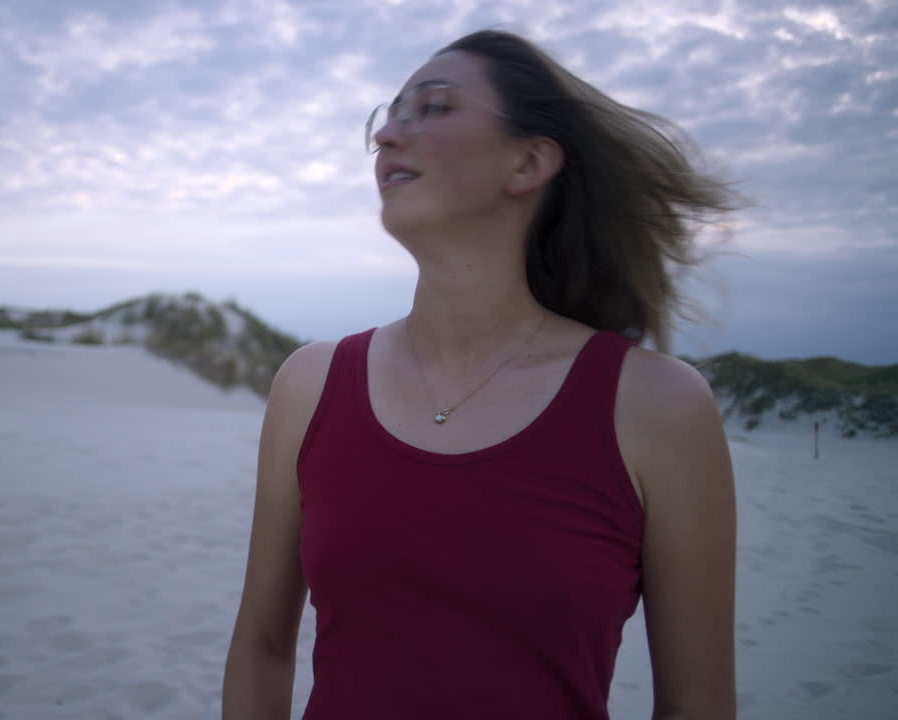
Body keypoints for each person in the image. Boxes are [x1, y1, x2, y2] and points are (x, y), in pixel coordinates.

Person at [222, 29, 739, 720]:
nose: (387, 137)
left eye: (432, 107)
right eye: (389, 116)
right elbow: (262, 644)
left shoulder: (657, 407)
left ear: (527, 161)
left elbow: (697, 705)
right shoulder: (310, 386)